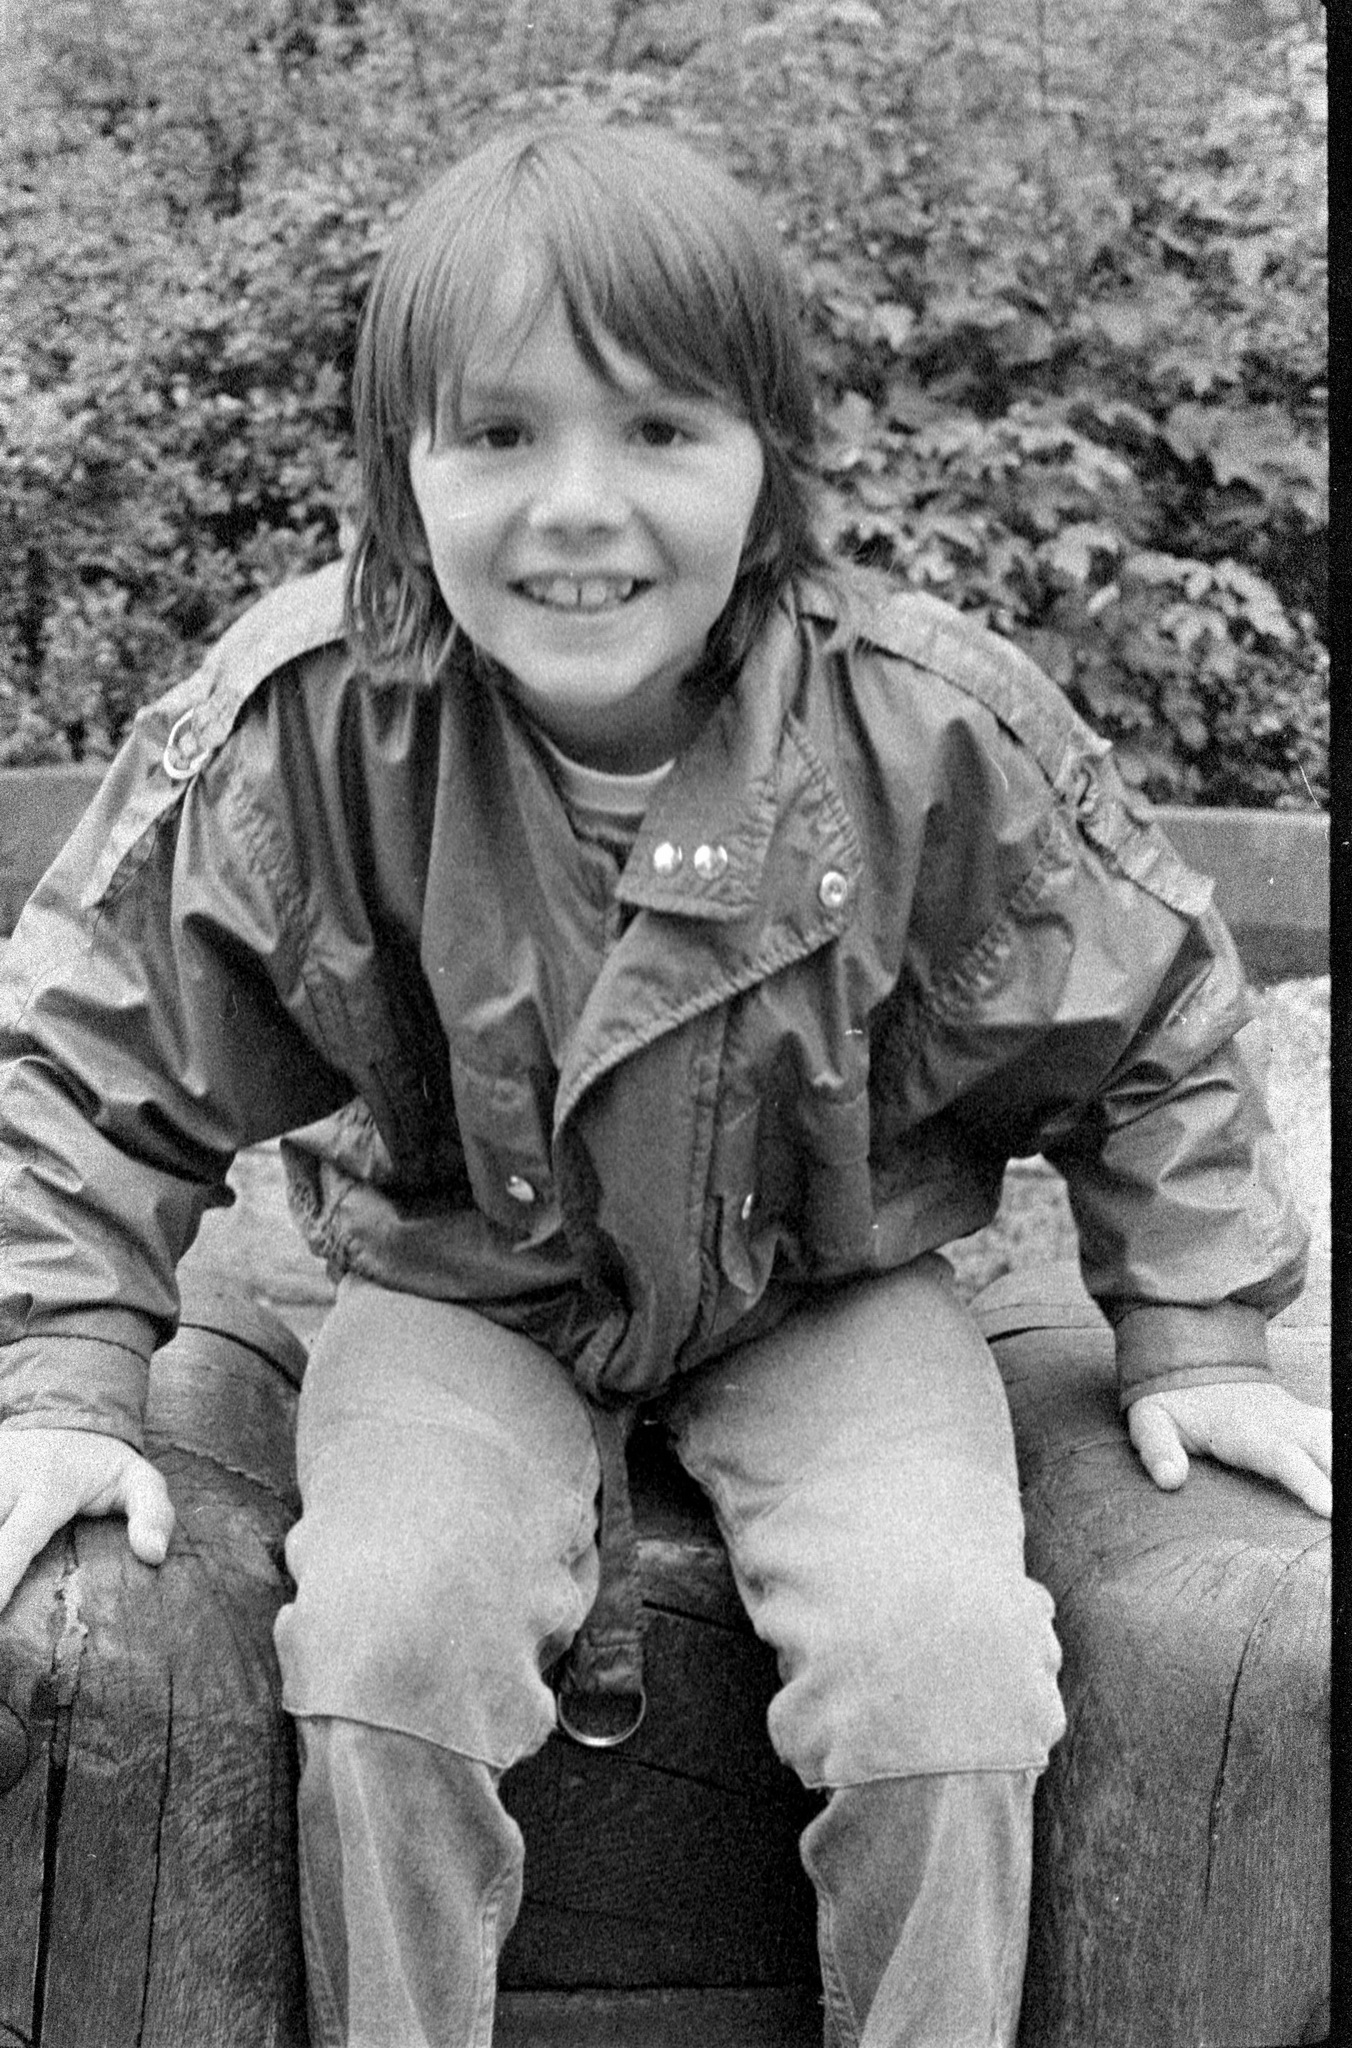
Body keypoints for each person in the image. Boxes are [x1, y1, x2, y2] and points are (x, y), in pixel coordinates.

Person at [0, 121, 1330, 2048]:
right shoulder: (313, 726)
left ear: (769, 458)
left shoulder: (922, 732)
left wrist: (1199, 1333)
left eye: (658, 431)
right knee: (382, 1647)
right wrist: (57, 1374)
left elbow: (1151, 1013)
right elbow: (95, 1037)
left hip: (826, 1282)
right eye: (498, 434)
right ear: (399, 472)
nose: (578, 507)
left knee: (947, 1674)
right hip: (461, 1276)